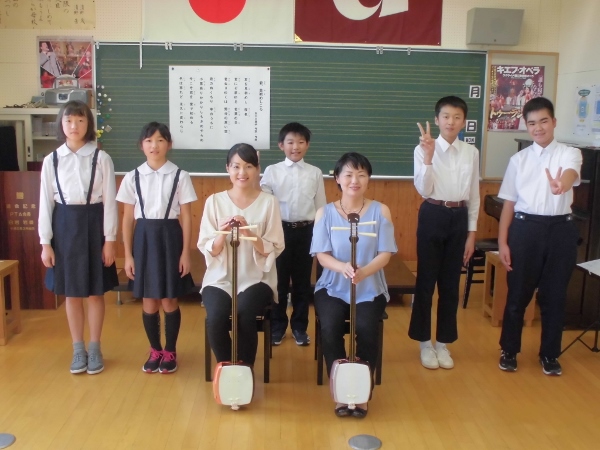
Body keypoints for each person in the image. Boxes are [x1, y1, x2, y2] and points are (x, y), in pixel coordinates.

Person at [497, 97, 582, 376]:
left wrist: (561, 185)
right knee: (517, 294)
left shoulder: (570, 153)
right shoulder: (518, 160)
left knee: (554, 296)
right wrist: (503, 242)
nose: (538, 128)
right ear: (526, 125)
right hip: (525, 230)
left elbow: (570, 174)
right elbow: (509, 204)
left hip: (561, 230)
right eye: (532, 123)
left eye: (544, 121)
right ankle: (509, 350)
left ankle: (550, 354)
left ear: (554, 122)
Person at [311, 152, 397, 418]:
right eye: (348, 174)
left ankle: (360, 391)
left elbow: (385, 253)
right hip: (332, 285)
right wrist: (343, 268)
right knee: (330, 326)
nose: (354, 180)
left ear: (368, 178)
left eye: (361, 174)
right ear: (337, 178)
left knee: (367, 328)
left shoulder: (381, 211)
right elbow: (322, 255)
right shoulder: (324, 213)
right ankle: (340, 388)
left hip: (369, 287)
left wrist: (364, 272)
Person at [39, 100, 118, 374]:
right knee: (72, 293)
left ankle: (95, 348)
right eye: (69, 120)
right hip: (64, 227)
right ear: (61, 124)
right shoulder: (51, 160)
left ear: (89, 124)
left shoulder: (101, 158)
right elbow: (45, 203)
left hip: (94, 223)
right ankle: (78, 349)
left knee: (95, 292)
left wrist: (110, 240)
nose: (74, 125)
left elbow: (110, 202)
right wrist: (45, 243)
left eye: (81, 120)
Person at [116, 122, 197, 374]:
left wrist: (185, 253)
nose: (154, 145)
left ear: (169, 144)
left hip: (170, 238)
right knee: (149, 300)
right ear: (141, 145)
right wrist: (128, 256)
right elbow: (127, 219)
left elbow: (186, 217)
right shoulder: (132, 177)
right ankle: (155, 350)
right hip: (143, 239)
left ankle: (170, 350)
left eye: (160, 140)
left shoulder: (180, 176)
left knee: (169, 299)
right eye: (149, 140)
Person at [409, 95, 480, 370]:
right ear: (437, 119)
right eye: (446, 116)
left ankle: (443, 344)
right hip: (433, 213)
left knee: (451, 284)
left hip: (459, 217)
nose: (451, 121)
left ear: (464, 121)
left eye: (457, 117)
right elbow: (423, 189)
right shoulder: (423, 149)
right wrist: (428, 157)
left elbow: (473, 195)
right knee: (426, 282)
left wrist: (471, 233)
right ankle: (424, 343)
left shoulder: (471, 152)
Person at [198, 143, 285, 370]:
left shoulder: (269, 202)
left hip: (257, 279)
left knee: (245, 314)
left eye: (248, 166)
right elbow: (208, 248)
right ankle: (228, 370)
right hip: (219, 278)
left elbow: (274, 247)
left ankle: (245, 370)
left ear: (257, 169)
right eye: (236, 166)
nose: (242, 172)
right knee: (216, 317)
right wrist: (222, 234)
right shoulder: (214, 201)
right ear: (227, 168)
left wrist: (249, 234)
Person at [260, 122, 326, 346]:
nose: (295, 147)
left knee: (302, 283)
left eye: (300, 142)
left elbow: (320, 207)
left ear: (307, 145)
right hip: (279, 231)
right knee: (278, 282)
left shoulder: (315, 173)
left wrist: (320, 238)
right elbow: (263, 202)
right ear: (281, 145)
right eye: (290, 142)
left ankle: (299, 328)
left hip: (306, 232)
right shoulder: (272, 171)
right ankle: (277, 327)